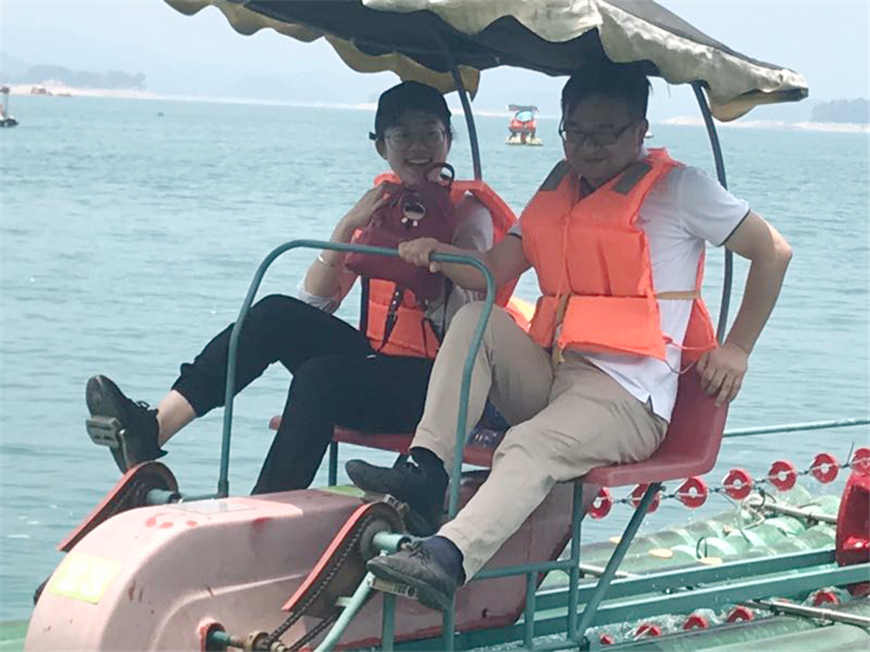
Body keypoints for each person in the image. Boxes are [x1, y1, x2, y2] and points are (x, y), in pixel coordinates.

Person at [346, 62, 793, 611]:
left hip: (628, 398)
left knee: (529, 445)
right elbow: (491, 272)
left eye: (606, 133)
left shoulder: (681, 189)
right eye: (576, 132)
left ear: (640, 129)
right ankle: (425, 470)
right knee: (476, 321)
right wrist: (438, 254)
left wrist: (738, 348)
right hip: (556, 375)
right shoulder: (558, 188)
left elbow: (773, 252)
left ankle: (447, 558)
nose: (589, 147)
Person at [85, 81, 514, 495]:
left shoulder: (468, 215)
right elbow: (315, 301)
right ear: (382, 147)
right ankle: (154, 428)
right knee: (275, 313)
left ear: (448, 141)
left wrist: (434, 268)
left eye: (430, 134)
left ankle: (269, 501)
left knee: (322, 377)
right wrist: (347, 227)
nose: (418, 147)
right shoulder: (382, 206)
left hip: (439, 386)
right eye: (403, 135)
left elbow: (473, 319)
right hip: (378, 366)